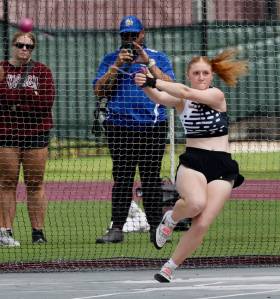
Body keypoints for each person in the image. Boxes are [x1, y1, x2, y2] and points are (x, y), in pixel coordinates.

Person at [134, 49, 248, 282]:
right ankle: (170, 220)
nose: (201, 77)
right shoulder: (181, 100)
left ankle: (170, 266)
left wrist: (154, 79)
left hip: (222, 166)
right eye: (196, 73)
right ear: (189, 75)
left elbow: (183, 90)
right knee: (195, 203)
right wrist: (144, 83)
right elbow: (161, 97)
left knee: (203, 222)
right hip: (194, 162)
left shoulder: (216, 96)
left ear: (212, 76)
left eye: (205, 73)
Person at [93, 15, 175, 243]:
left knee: (150, 179)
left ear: (142, 34)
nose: (130, 40)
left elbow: (171, 85)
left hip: (152, 127)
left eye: (133, 35)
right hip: (119, 127)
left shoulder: (157, 57)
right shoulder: (111, 59)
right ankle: (117, 228)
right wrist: (117, 65)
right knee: (122, 179)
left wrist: (148, 64)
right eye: (125, 36)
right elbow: (99, 91)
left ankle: (156, 229)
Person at [0, 31, 55, 246]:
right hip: (7, 135)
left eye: (29, 46)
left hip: (36, 134)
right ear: (12, 46)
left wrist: (13, 100)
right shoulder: (2, 68)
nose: (24, 49)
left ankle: (38, 233)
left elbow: (45, 104)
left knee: (35, 184)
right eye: (20, 45)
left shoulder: (42, 71)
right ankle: (5, 231)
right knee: (6, 183)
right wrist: (27, 97)